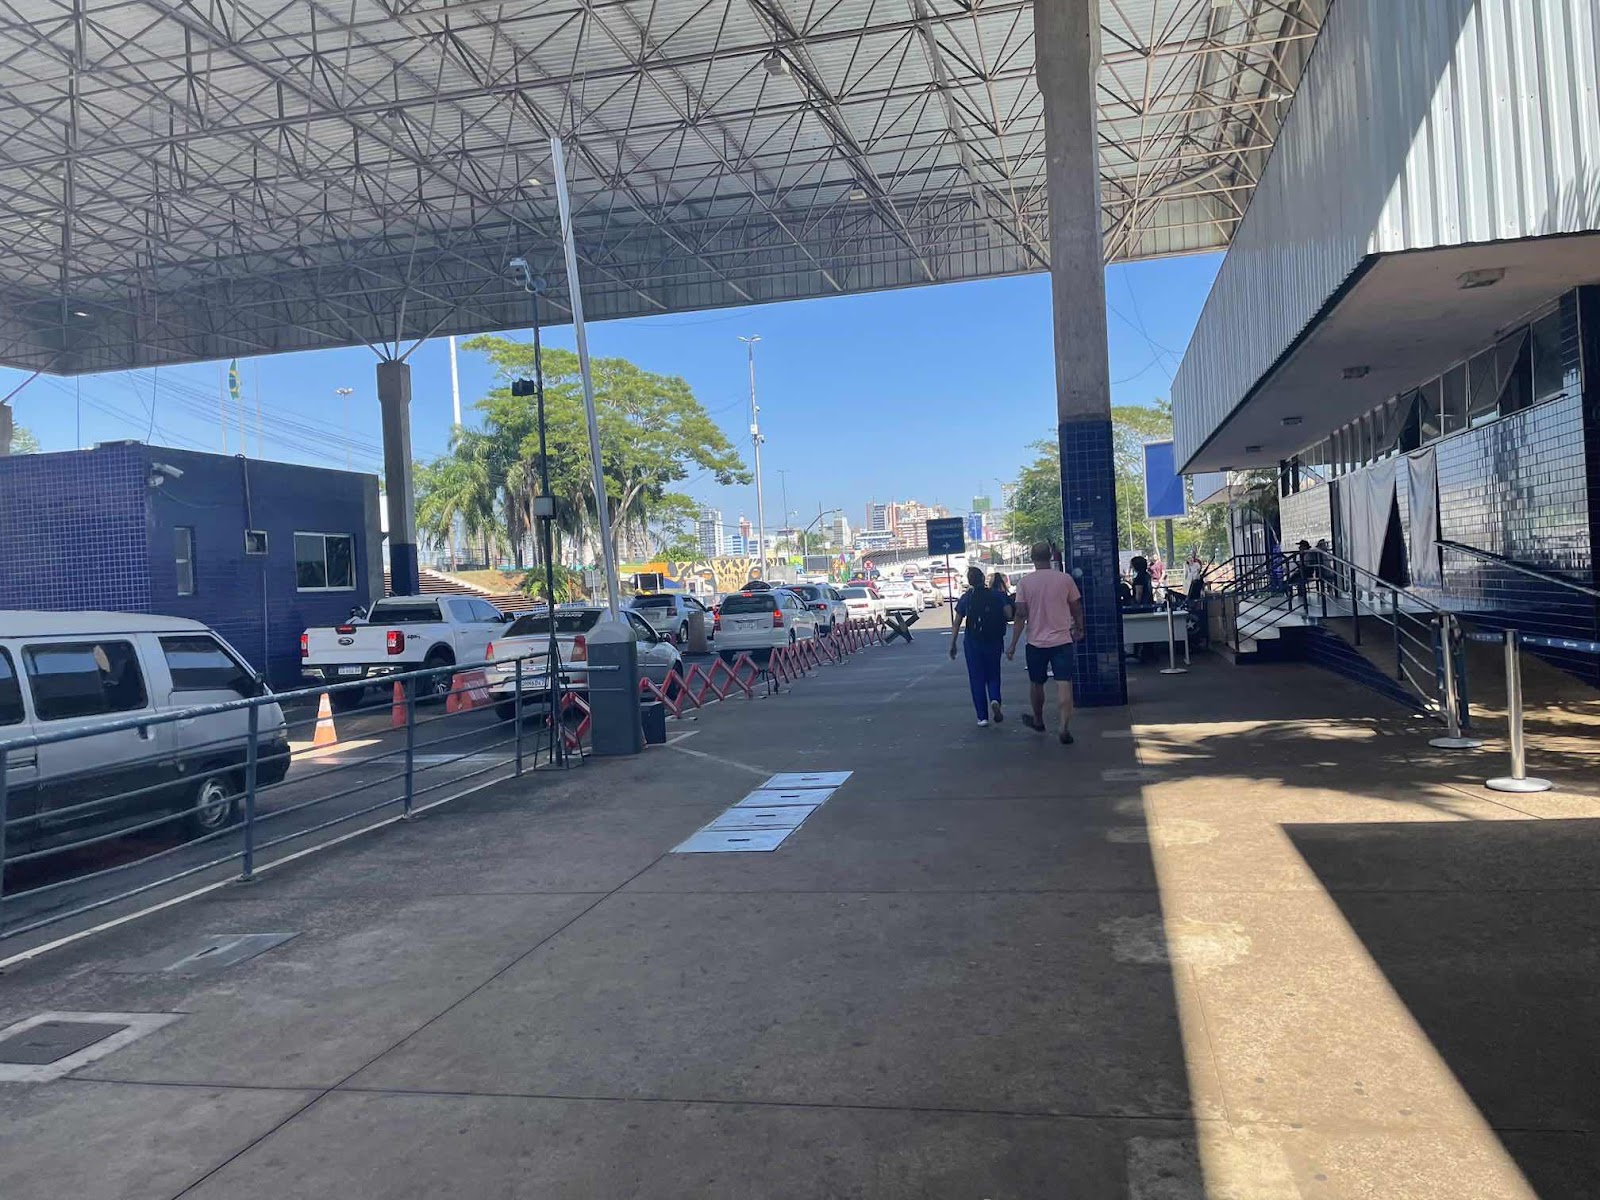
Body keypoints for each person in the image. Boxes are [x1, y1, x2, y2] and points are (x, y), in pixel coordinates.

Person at [1006, 542, 1086, 745]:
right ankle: (1064, 727)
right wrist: (1079, 628)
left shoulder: (1024, 583)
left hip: (1036, 643)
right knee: (1064, 683)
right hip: (1062, 641)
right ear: (1050, 557)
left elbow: (1020, 615)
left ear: (1032, 558)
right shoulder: (1065, 579)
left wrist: (1013, 644)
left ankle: (1039, 719)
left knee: (1036, 683)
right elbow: (1076, 607)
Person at [950, 566, 1011, 726]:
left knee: (976, 678)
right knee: (993, 674)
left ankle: (982, 717)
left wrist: (953, 643)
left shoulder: (966, 598)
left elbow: (957, 623)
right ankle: (995, 699)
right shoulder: (997, 595)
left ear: (970, 581)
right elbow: (1009, 614)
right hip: (994, 640)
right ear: (983, 579)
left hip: (972, 642)